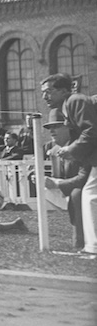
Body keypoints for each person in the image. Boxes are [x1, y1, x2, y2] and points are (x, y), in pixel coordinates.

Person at [41, 73, 97, 255]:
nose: (45, 96)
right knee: (89, 194)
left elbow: (90, 130)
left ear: (65, 91)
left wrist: (70, 150)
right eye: (43, 92)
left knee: (90, 195)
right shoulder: (70, 106)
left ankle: (93, 247)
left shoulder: (75, 101)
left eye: (49, 91)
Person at [41, 114, 89, 250]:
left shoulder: (80, 147)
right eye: (50, 127)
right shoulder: (55, 150)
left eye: (57, 126)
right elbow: (59, 176)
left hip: (86, 189)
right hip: (70, 190)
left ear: (69, 128)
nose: (51, 131)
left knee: (76, 194)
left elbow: (83, 178)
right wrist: (43, 179)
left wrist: (56, 184)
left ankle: (80, 243)